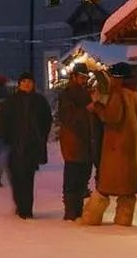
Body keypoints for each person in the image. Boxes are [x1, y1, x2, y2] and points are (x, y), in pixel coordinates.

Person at [81, 62, 137, 227]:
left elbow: (112, 117)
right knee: (127, 192)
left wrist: (98, 107)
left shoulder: (119, 93)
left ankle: (90, 218)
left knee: (104, 188)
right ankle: (123, 222)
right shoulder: (135, 93)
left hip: (116, 147)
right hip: (130, 147)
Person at [0, 71, 52, 219]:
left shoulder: (39, 101)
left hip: (32, 145)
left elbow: (47, 120)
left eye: (29, 81)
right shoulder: (11, 101)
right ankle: (20, 205)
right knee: (16, 177)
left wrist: (41, 136)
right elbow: (3, 121)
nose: (27, 84)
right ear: (19, 84)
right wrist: (3, 138)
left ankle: (27, 209)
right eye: (24, 81)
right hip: (14, 145)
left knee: (28, 176)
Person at [57, 63, 94, 221]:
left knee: (83, 176)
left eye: (85, 78)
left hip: (85, 142)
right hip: (74, 142)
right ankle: (71, 211)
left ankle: (77, 210)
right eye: (81, 77)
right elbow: (68, 116)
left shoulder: (84, 91)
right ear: (74, 77)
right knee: (73, 176)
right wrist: (87, 109)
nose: (84, 80)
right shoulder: (68, 94)